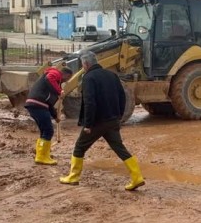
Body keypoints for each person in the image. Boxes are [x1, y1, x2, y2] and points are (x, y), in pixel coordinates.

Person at [58, 50, 145, 191]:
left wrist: (88, 124)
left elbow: (90, 102)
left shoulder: (88, 78)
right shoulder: (112, 75)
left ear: (85, 64)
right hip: (112, 120)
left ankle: (73, 177)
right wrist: (119, 117)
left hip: (97, 122)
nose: (82, 67)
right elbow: (122, 97)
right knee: (119, 148)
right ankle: (137, 177)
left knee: (80, 147)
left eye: (82, 65)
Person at [25, 66, 73, 165]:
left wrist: (55, 116)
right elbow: (49, 78)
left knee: (44, 131)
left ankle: (41, 154)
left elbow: (49, 103)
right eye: (68, 78)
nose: (67, 81)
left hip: (35, 104)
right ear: (66, 75)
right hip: (38, 105)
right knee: (48, 131)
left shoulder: (54, 84)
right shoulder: (55, 74)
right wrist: (60, 91)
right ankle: (41, 157)